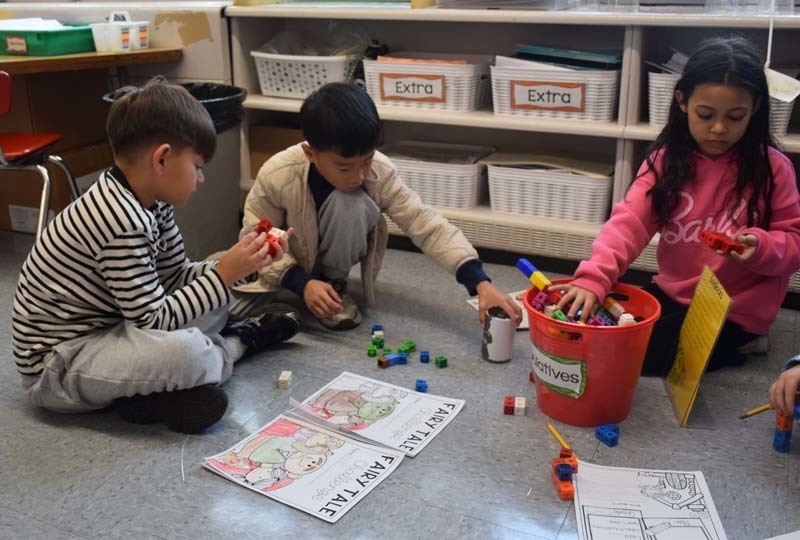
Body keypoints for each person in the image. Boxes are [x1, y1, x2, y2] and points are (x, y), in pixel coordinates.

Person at [12, 78, 300, 434]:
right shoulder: (119, 219)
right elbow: (153, 320)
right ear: (162, 158)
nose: (201, 179)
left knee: (215, 304)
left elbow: (175, 278)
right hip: (59, 367)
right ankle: (238, 344)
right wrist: (224, 275)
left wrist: (244, 264)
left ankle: (145, 396)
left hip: (116, 328)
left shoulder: (151, 202)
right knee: (188, 353)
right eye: (197, 166)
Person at [555, 36, 800, 376]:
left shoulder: (773, 168)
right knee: (614, 331)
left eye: (735, 116)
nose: (718, 128)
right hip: (675, 291)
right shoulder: (666, 160)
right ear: (682, 102)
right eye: (705, 114)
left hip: (733, 309)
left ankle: (748, 341)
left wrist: (762, 247)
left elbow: (794, 243)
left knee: (645, 358)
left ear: (755, 108)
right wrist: (594, 277)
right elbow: (629, 223)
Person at [233, 82, 522, 330]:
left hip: (331, 257)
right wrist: (298, 281)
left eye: (366, 161)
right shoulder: (278, 173)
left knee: (351, 203)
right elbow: (255, 235)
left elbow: (426, 225)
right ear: (311, 153)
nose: (359, 175)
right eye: (344, 167)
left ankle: (332, 285)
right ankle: (305, 288)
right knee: (230, 309)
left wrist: (481, 283)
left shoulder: (380, 172)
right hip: (288, 264)